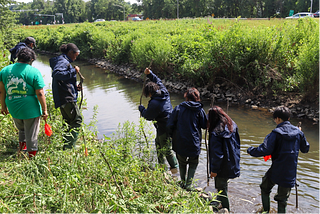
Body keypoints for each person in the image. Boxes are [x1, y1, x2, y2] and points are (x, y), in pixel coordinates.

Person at [247, 106, 309, 214]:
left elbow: (265, 150)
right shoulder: (298, 133)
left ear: (278, 119)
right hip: (290, 172)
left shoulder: (275, 133)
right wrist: (300, 134)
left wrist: (250, 150)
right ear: (288, 118)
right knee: (282, 200)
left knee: (265, 188)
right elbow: (305, 149)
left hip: (276, 170)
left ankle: (265, 211)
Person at [0, 48, 48, 158]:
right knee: (32, 133)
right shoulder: (33, 71)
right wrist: (44, 110)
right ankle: (31, 156)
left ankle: (22, 149)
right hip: (30, 108)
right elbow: (40, 93)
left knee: (22, 129)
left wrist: (3, 107)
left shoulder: (5, 70)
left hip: (13, 106)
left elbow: (2, 91)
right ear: (31, 59)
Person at [139, 68, 178, 173]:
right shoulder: (163, 91)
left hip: (164, 127)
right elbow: (158, 80)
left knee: (166, 149)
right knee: (158, 144)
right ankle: (162, 168)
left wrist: (141, 109)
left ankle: (175, 169)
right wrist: (149, 73)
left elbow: (148, 116)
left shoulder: (154, 103)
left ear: (150, 93)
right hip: (170, 124)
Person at [167, 87, 207, 190]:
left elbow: (170, 124)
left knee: (182, 162)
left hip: (180, 141)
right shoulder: (199, 110)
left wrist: (170, 136)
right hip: (194, 142)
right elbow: (204, 125)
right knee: (193, 163)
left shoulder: (179, 108)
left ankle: (183, 182)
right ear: (197, 98)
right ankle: (189, 185)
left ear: (186, 97)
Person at [207, 106, 240, 211]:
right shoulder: (232, 125)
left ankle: (226, 209)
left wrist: (214, 170)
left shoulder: (215, 132)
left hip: (222, 165)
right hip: (232, 160)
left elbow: (217, 155)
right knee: (223, 183)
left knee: (221, 187)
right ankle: (218, 202)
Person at [49, 43, 82, 150]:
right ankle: (69, 146)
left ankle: (66, 145)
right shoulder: (63, 62)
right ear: (70, 52)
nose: (76, 57)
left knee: (68, 122)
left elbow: (63, 79)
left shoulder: (62, 61)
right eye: (75, 55)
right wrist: (74, 71)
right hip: (67, 97)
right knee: (77, 120)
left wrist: (75, 86)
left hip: (62, 96)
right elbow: (57, 74)